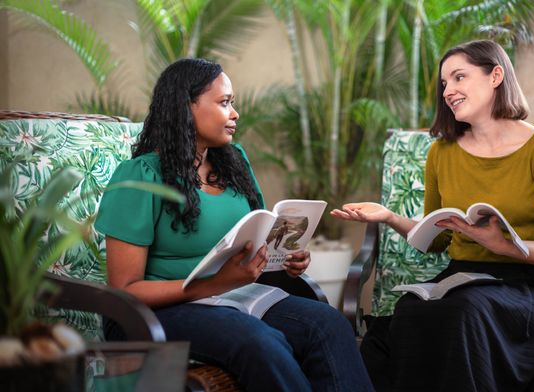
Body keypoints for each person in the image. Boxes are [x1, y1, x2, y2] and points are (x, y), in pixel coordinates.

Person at [332, 40, 534, 391]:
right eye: (444, 84)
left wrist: (508, 247)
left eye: (459, 77)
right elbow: (437, 237)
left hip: (530, 284)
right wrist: (389, 216)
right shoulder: (442, 151)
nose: (449, 91)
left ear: (495, 76)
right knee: (411, 310)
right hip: (463, 278)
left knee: (463, 313)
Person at [95, 58, 372, 391]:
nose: (235, 113)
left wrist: (285, 258)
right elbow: (124, 291)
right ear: (187, 106)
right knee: (260, 342)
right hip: (160, 311)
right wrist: (212, 285)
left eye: (233, 103)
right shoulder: (142, 176)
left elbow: (260, 236)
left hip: (234, 295)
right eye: (224, 103)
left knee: (329, 325)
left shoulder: (233, 162)